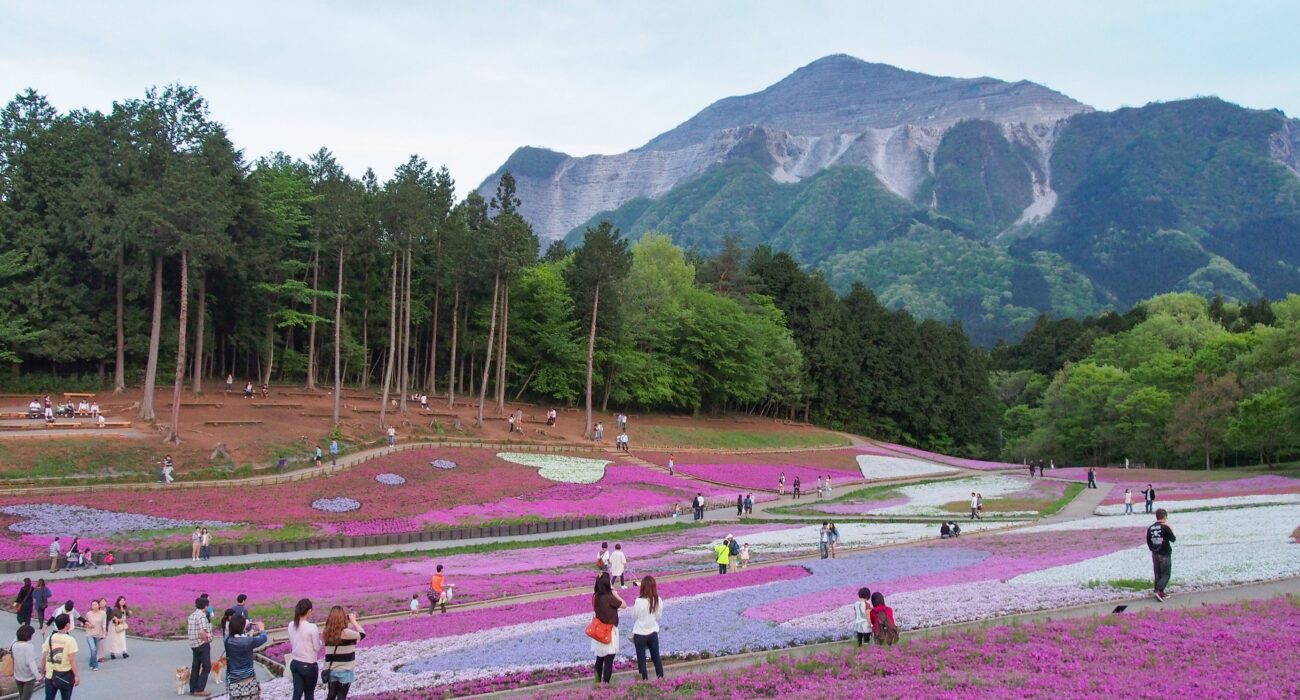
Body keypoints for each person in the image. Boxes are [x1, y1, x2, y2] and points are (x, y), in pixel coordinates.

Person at [321, 606, 366, 700]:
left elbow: (340, 636)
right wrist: (353, 621)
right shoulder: (347, 633)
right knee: (341, 696)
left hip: (331, 670)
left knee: (331, 695)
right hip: (345, 671)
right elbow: (362, 634)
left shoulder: (326, 632)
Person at [590, 573, 626, 685]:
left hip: (598, 632)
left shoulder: (596, 597)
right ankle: (605, 685)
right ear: (607, 583)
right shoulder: (610, 597)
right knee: (609, 660)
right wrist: (615, 594)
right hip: (609, 632)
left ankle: (597, 683)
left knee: (599, 659)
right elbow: (624, 605)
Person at [222, 614, 267, 700]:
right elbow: (263, 638)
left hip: (234, 677)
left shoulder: (227, 640)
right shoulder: (248, 641)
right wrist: (262, 629)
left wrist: (243, 628)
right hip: (248, 678)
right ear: (242, 627)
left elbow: (236, 634)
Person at [630, 575, 664, 681]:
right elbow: (658, 616)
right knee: (656, 658)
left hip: (640, 634)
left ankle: (644, 681)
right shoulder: (657, 600)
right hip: (653, 632)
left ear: (642, 587)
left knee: (641, 660)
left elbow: (634, 616)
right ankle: (661, 678)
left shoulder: (639, 601)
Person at [287, 598, 322, 700]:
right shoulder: (312, 627)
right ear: (309, 611)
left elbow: (293, 641)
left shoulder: (291, 624)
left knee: (297, 694)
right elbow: (316, 647)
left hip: (295, 663)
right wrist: (320, 642)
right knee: (309, 694)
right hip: (309, 664)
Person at [40, 613, 79, 699]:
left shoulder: (49, 638)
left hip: (50, 675)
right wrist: (76, 675)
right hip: (65, 676)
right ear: (67, 625)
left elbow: (44, 657)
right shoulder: (70, 640)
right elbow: (72, 660)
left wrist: (42, 671)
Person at [1147, 508, 1176, 602]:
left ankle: (1160, 592)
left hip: (1155, 553)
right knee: (1166, 574)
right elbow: (1173, 539)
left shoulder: (1150, 528)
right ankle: (1158, 591)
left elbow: (1148, 541)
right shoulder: (1165, 527)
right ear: (1164, 517)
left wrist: (1153, 549)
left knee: (1157, 574)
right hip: (1165, 553)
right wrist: (1170, 528)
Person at [187, 597, 213, 697]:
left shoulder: (192, 615)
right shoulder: (202, 616)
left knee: (195, 666)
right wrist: (208, 640)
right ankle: (199, 689)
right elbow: (203, 631)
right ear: (205, 606)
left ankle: (193, 688)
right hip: (202, 644)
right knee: (206, 666)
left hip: (193, 644)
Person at [12, 624, 40, 700]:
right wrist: (38, 676)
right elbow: (32, 663)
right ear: (28, 635)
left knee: (22, 696)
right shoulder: (29, 647)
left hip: (18, 675)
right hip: (28, 678)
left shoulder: (14, 645)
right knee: (26, 698)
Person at [83, 600, 105, 672]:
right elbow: (84, 623)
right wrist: (89, 625)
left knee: (95, 650)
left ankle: (91, 663)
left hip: (98, 634)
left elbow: (104, 624)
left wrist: (104, 633)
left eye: (95, 604)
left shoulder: (103, 613)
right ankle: (95, 665)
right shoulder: (88, 614)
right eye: (92, 605)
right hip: (89, 634)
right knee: (93, 649)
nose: (94, 606)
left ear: (98, 605)